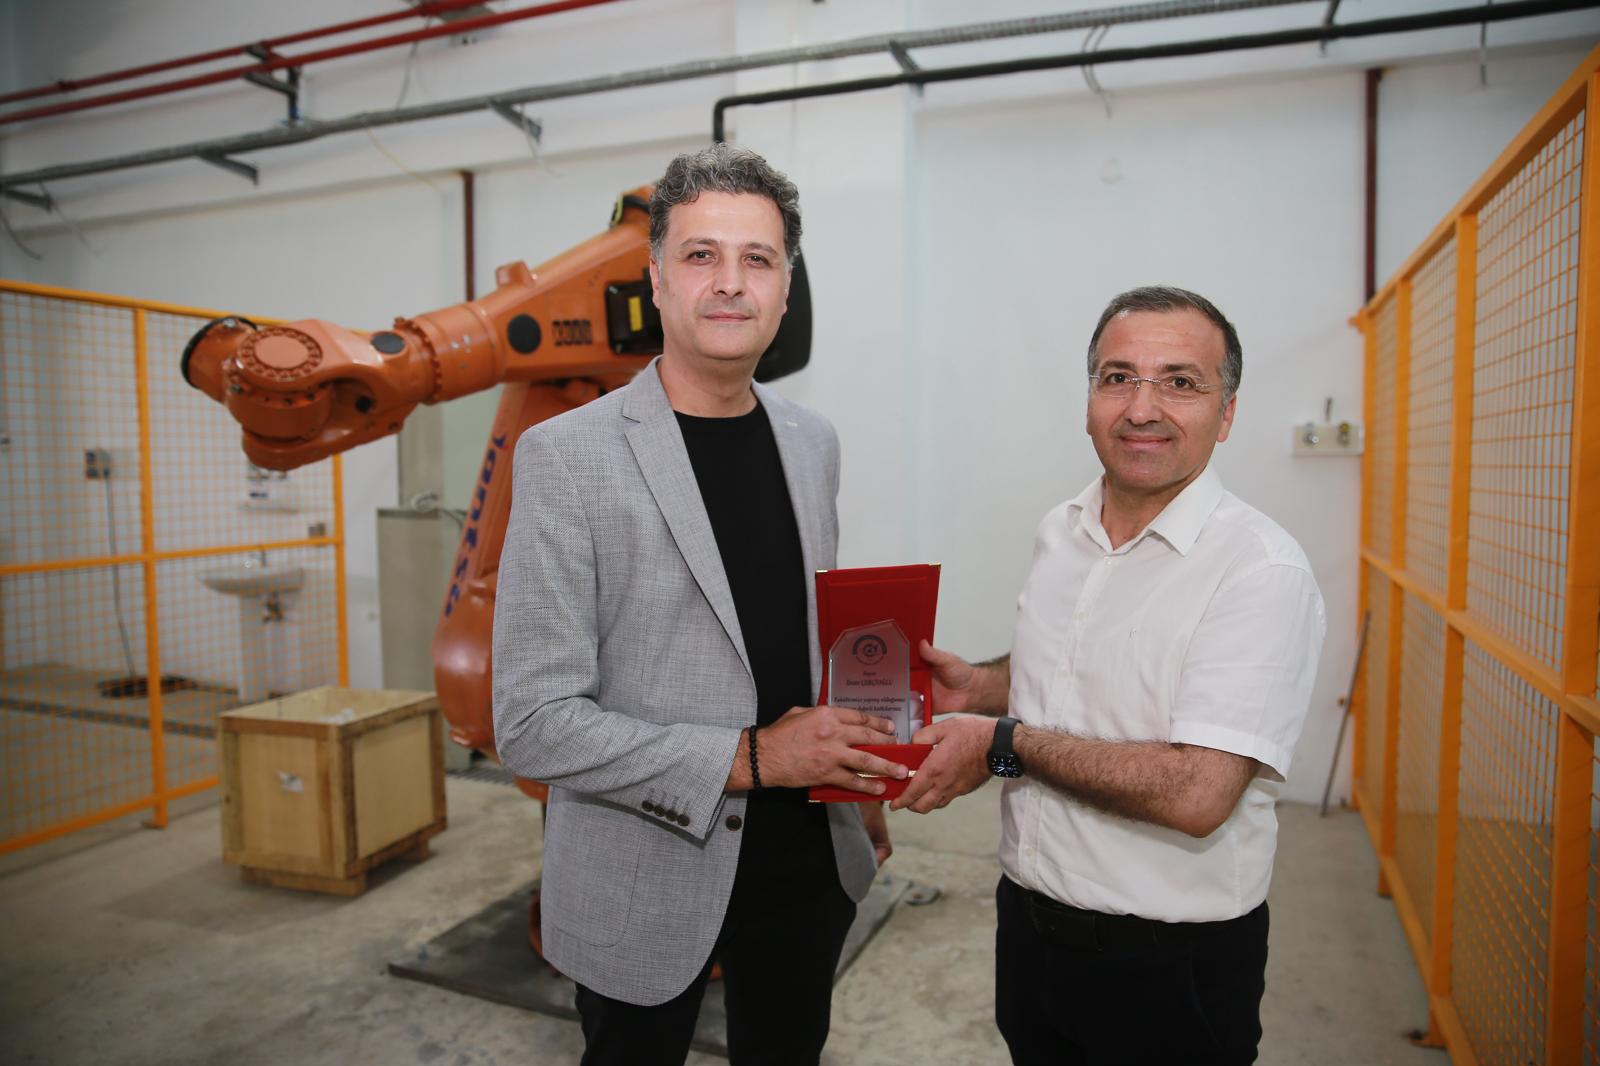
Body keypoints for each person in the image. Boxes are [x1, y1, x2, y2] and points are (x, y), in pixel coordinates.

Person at [491, 143, 906, 1066]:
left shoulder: (812, 442)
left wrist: (859, 760)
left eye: (757, 259)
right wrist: (754, 757)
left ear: (786, 290)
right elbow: (532, 724)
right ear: (656, 280)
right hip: (642, 867)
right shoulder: (567, 457)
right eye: (700, 255)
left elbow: (795, 638)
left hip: (806, 860)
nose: (730, 282)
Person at [893, 286, 1325, 1065]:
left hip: (1168, 964)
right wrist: (979, 689)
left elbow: (1198, 794)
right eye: (1118, 377)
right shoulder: (1062, 531)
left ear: (1226, 413)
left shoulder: (1258, 571)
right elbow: (1075, 670)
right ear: (1089, 397)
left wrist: (1001, 745)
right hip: (1029, 928)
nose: (1142, 408)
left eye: (1180, 382)